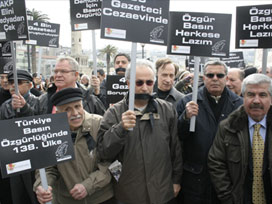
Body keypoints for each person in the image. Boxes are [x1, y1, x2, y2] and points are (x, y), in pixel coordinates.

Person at [97, 60, 182, 204]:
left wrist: (176, 180)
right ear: (129, 84)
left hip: (162, 192)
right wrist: (120, 129)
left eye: (149, 83)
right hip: (129, 194)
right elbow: (103, 151)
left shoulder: (167, 110)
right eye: (139, 83)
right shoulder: (114, 113)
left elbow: (175, 149)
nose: (144, 88)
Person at [176, 60, 243, 204]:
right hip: (196, 177)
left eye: (219, 75)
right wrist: (185, 118)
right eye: (210, 75)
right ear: (204, 77)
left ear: (226, 78)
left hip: (228, 177)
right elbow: (178, 137)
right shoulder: (187, 102)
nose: (215, 79)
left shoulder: (239, 104)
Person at [34, 88, 114, 204]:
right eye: (67, 109)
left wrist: (88, 185)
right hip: (67, 199)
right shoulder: (51, 131)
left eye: (77, 106)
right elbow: (48, 168)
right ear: (57, 112)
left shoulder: (99, 124)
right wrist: (42, 185)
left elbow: (111, 162)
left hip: (102, 198)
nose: (75, 113)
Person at [208, 73, 272, 203]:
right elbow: (216, 163)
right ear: (243, 97)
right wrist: (228, 198)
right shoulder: (228, 127)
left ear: (271, 99)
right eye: (250, 94)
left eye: (262, 95)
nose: (256, 100)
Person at [0, 69, 39, 204]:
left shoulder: (38, 102)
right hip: (14, 159)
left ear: (29, 85)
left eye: (18, 83)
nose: (13, 86)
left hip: (34, 160)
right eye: (11, 82)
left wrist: (24, 109)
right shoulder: (5, 106)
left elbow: (40, 128)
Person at [38, 56, 105, 116]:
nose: (58, 75)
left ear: (76, 75)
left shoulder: (90, 100)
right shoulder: (43, 100)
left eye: (63, 71)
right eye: (55, 71)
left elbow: (103, 125)